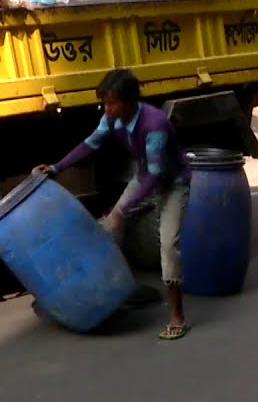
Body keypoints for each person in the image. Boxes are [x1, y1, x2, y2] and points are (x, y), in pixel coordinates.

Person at [34, 69, 193, 340]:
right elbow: (90, 144)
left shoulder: (154, 124)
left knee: (168, 245)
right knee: (107, 230)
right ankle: (105, 296)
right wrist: (56, 168)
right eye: (105, 103)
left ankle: (177, 315)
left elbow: (156, 175)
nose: (106, 109)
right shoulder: (113, 118)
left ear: (130, 102)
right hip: (144, 176)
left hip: (173, 183)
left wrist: (124, 209)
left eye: (111, 103)